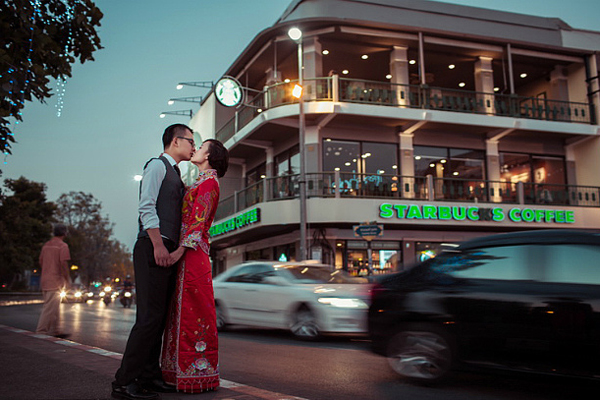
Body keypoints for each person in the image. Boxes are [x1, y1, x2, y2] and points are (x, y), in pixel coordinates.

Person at [112, 124, 196, 400]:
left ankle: (149, 377)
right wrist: (158, 244)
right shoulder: (157, 166)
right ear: (175, 141)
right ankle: (123, 382)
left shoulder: (176, 173)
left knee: (158, 319)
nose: (194, 147)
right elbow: (146, 205)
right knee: (148, 318)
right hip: (152, 246)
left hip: (167, 248)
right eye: (190, 141)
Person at [160, 139, 229, 393]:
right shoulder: (201, 181)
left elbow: (198, 224)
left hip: (193, 254)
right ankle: (177, 372)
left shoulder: (210, 183)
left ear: (209, 155)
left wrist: (179, 251)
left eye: (201, 147)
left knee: (193, 311)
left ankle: (196, 373)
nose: (196, 149)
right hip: (188, 253)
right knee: (182, 309)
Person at [36, 223, 71, 338]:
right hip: (55, 281)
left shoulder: (46, 245)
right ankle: (41, 331)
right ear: (65, 233)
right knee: (50, 308)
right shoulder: (63, 246)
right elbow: (63, 263)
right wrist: (67, 279)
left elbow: (40, 261)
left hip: (45, 280)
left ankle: (56, 330)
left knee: (54, 306)